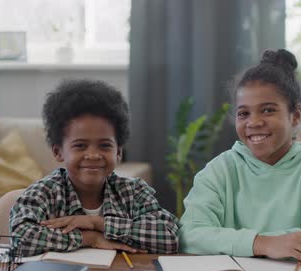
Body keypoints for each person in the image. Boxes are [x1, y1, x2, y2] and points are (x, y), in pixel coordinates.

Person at [178, 49, 301, 264]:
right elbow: (190, 235)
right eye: (244, 113)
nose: (254, 122)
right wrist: (264, 243)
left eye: (268, 110)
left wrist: (242, 244)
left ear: (295, 115)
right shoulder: (219, 170)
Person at [10, 79, 179, 256]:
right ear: (58, 151)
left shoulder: (134, 191)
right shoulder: (45, 193)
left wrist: (97, 223)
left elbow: (169, 236)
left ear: (118, 152)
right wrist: (90, 238)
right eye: (80, 146)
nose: (93, 155)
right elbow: (20, 238)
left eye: (105, 145)